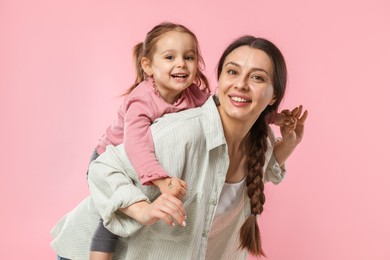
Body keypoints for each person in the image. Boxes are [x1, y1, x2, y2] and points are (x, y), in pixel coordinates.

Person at [51, 35, 308, 260]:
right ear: (219, 80)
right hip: (85, 252)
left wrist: (288, 145)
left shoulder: (260, 142)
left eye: (257, 77)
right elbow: (102, 168)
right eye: (232, 72)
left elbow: (259, 175)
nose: (241, 84)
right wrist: (143, 209)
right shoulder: (182, 133)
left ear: (274, 95)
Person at [89, 22, 211, 260]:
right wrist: (161, 179)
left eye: (189, 57)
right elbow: (136, 144)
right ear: (148, 66)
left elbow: (221, 111)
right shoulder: (142, 100)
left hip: (144, 165)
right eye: (169, 57)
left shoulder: (193, 94)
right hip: (110, 162)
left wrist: (270, 116)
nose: (181, 64)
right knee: (113, 219)